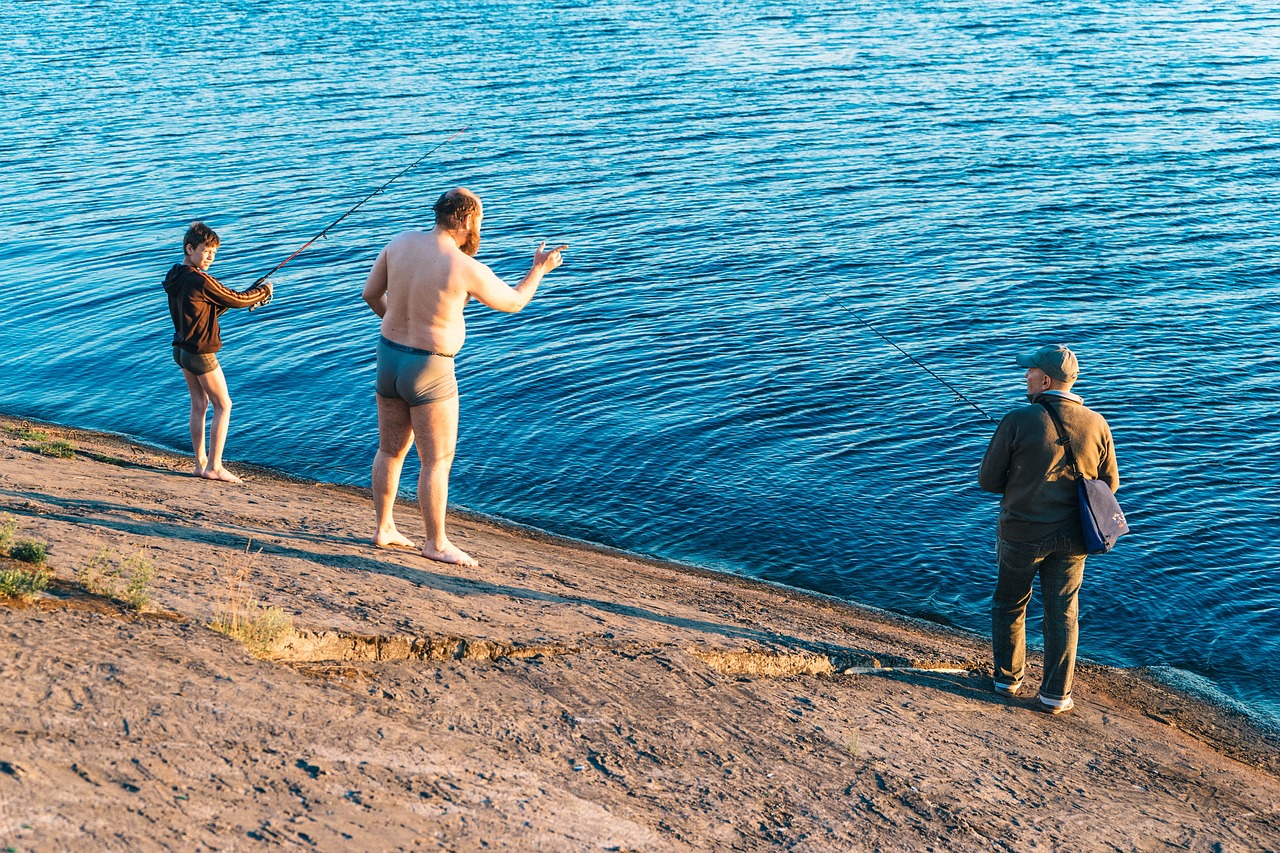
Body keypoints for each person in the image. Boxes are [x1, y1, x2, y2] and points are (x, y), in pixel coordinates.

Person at [362, 188, 566, 567]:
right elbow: (515, 302)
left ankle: (384, 527)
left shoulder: (400, 243)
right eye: (481, 221)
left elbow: (371, 294)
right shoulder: (465, 267)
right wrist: (539, 268)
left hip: (388, 357)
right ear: (467, 220)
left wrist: (401, 328)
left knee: (390, 449)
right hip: (431, 368)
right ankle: (435, 542)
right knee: (436, 460)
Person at [978, 344, 1119, 715]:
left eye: (1029, 372)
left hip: (1022, 533)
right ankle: (1056, 695)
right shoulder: (1097, 423)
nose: (1025, 377)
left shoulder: (1017, 419)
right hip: (1074, 537)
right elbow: (1109, 485)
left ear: (1044, 379)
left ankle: (1007, 680)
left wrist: (1022, 479)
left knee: (1010, 603)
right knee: (1063, 612)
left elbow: (988, 481)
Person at [164, 222, 272, 483]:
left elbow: (203, 310)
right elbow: (234, 298)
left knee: (199, 405)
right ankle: (214, 466)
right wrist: (263, 291)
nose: (211, 257)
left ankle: (200, 464)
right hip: (200, 353)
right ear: (190, 249)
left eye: (214, 252)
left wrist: (253, 297)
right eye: (206, 251)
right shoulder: (199, 279)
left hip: (181, 349)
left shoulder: (176, 274)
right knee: (224, 405)